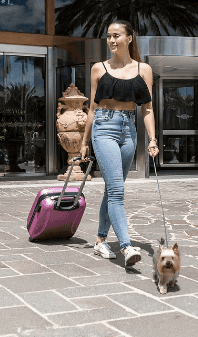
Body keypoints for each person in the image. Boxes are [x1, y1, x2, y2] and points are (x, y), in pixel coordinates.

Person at [80, 20, 159, 266]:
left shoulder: (143, 70)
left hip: (129, 131)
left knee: (112, 188)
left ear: (129, 38)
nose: (112, 41)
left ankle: (101, 240)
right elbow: (92, 108)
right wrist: (84, 141)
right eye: (109, 36)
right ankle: (126, 247)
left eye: (117, 36)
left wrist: (152, 139)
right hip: (104, 128)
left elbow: (147, 108)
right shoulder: (98, 68)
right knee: (117, 191)